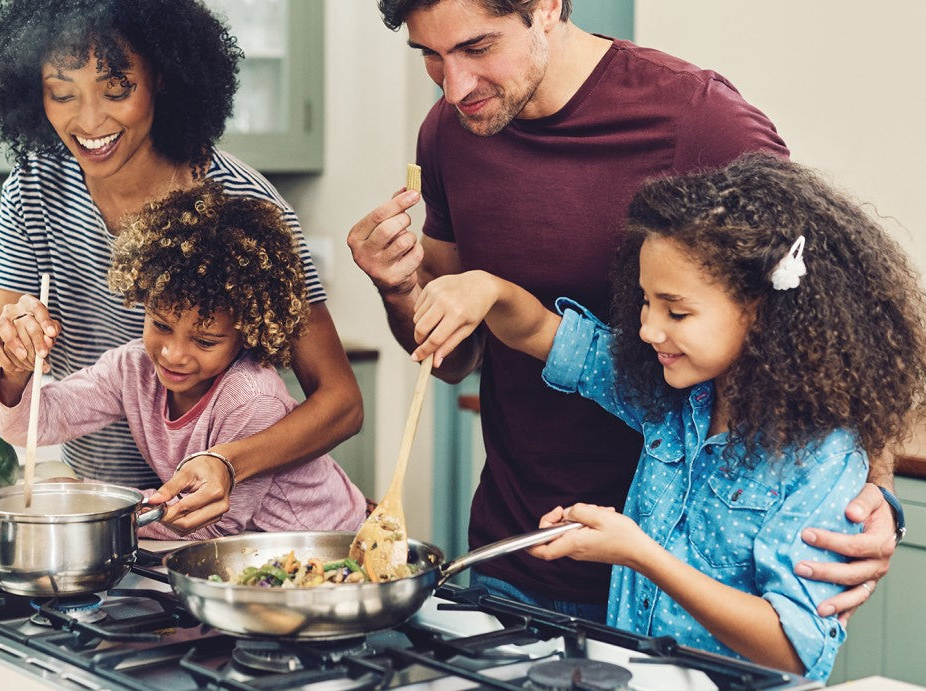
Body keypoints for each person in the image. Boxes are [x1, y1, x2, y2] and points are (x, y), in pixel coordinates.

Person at [348, 0, 897, 622]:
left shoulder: (699, 118)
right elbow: (454, 360)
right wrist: (399, 290)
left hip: (688, 592)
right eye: (429, 56)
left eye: (477, 48)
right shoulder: (450, 132)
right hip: (514, 551)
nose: (455, 87)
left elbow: (824, 317)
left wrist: (873, 492)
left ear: (547, 7)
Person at [409, 153, 926, 680]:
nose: (650, 330)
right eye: (645, 303)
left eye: (676, 312)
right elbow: (543, 332)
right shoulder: (670, 396)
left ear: (761, 313)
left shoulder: (821, 459)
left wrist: (640, 553)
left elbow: (793, 648)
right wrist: (488, 289)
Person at [0, 0, 362, 533]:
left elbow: (341, 403)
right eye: (62, 93)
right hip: (108, 509)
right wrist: (9, 351)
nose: (87, 120)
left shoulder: (245, 209)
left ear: (164, 79)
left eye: (117, 89)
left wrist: (227, 462)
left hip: (212, 522)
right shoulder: (34, 189)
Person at [0, 183, 368, 539]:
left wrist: (90, 502)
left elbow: (212, 524)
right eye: (160, 324)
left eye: (204, 341)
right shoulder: (133, 369)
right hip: (249, 546)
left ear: (247, 333)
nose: (173, 354)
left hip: (324, 538)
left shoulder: (252, 398)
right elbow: (30, 425)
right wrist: (17, 370)